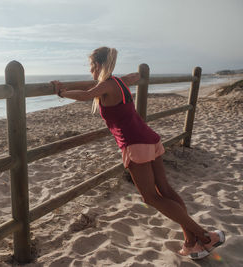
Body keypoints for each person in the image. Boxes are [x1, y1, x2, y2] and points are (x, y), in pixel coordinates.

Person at [50, 46, 225, 260]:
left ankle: (205, 237)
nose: (89, 71)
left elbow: (86, 94)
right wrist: (68, 85)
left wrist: (61, 92)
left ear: (98, 66)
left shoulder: (106, 85)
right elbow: (100, 83)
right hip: (149, 138)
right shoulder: (119, 82)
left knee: (150, 197)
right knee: (165, 190)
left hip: (135, 144)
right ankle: (191, 242)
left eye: (90, 67)